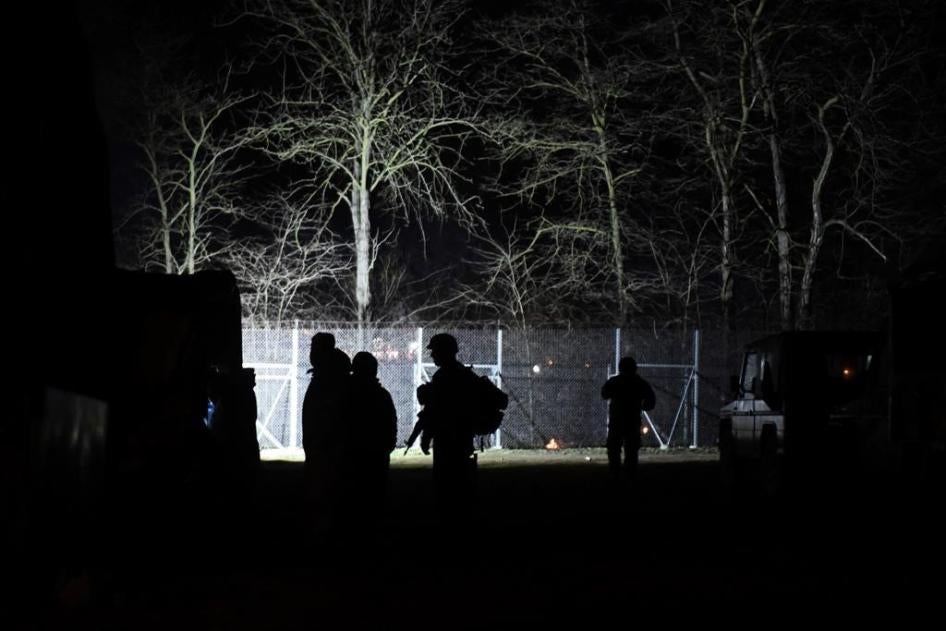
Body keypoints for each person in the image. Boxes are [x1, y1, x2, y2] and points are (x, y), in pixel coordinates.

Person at [415, 333, 479, 518]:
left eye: (435, 351)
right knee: (461, 485)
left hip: (448, 440)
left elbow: (435, 412)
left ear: (444, 352)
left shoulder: (443, 377)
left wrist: (426, 437)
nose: (432, 355)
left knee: (446, 485)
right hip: (463, 438)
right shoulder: (462, 374)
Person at [301, 332, 351, 519]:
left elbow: (331, 417)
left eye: (314, 348)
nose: (311, 353)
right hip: (322, 450)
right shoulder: (330, 375)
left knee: (325, 502)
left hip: (327, 453)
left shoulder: (330, 380)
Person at [345, 351, 398, 521]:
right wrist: (386, 448)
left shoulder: (348, 394)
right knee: (374, 499)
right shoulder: (382, 395)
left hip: (353, 454)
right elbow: (391, 425)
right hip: (377, 455)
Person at [601, 356, 656, 485]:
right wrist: (643, 406)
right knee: (631, 449)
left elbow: (604, 394)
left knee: (614, 448)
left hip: (617, 420)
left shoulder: (615, 381)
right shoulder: (639, 382)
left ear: (620, 368)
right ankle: (630, 475)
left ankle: (615, 474)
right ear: (634, 369)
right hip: (632, 420)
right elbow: (651, 400)